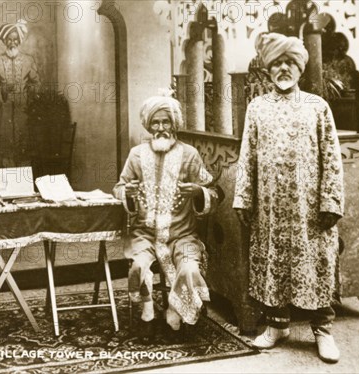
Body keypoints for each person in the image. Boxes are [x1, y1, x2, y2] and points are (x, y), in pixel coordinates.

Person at [233, 33, 344, 363]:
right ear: (268, 70)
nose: (283, 68)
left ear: (299, 68)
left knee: (316, 264)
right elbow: (247, 155)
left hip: (309, 209)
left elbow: (331, 155)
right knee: (273, 264)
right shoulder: (257, 108)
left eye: (289, 63)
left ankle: (322, 330)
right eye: (277, 63)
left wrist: (331, 201)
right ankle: (277, 325)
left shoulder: (316, 106)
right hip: (270, 208)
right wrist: (244, 198)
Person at [113, 95, 219, 340]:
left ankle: (175, 314)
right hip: (144, 234)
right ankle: (147, 314)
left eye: (166, 122)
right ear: (148, 125)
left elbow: (213, 191)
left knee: (190, 269)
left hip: (182, 235)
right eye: (156, 123)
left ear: (174, 124)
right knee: (139, 266)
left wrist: (198, 192)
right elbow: (118, 187)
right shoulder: (136, 155)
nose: (161, 128)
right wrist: (126, 193)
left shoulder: (190, 155)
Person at [0, 19, 40, 163]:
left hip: (23, 112)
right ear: (5, 41)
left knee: (24, 150)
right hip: (5, 113)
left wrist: (28, 95)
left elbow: (36, 84)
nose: (12, 43)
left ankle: (23, 184)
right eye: (9, 40)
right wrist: (3, 90)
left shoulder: (28, 60)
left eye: (15, 40)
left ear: (20, 41)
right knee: (7, 152)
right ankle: (9, 183)